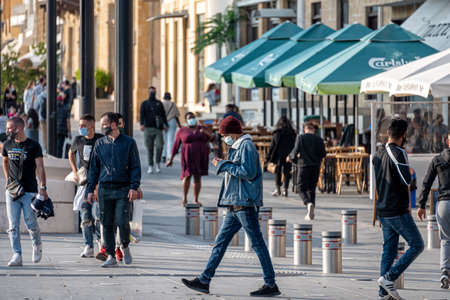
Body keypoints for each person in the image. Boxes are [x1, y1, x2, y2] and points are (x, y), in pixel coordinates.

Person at [181, 116, 281, 297]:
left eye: (224, 134)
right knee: (220, 243)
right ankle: (204, 280)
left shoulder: (246, 146)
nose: (224, 139)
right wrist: (225, 164)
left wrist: (223, 164)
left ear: (232, 133)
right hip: (234, 204)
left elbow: (248, 173)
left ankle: (270, 283)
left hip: (244, 203)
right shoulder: (237, 146)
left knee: (257, 244)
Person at [372, 118, 425, 300]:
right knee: (417, 244)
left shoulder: (377, 153)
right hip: (398, 209)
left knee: (389, 249)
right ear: (403, 136)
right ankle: (389, 278)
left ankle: (383, 293)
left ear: (388, 133)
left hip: (384, 209)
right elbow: (406, 179)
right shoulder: (399, 152)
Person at [87, 112, 141, 267]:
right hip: (104, 189)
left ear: (114, 124)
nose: (103, 126)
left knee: (122, 220)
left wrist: (134, 187)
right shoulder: (100, 143)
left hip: (123, 188)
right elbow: (93, 169)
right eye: (101, 124)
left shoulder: (129, 143)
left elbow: (135, 167)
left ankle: (124, 245)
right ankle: (111, 255)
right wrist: (91, 190)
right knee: (106, 223)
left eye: (105, 123)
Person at [2, 117, 48, 267]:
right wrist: (8, 180)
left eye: (9, 128)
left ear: (19, 128)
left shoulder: (34, 146)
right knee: (13, 225)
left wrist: (43, 187)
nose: (7, 131)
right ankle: (17, 254)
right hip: (12, 191)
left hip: (29, 191)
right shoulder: (7, 144)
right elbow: (5, 161)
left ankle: (37, 244)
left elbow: (40, 167)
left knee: (30, 222)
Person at [417, 135, 450, 289]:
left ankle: (445, 271)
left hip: (444, 204)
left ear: (447, 142)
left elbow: (426, 182)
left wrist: (421, 205)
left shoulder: (438, 159)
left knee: (446, 239)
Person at [69, 114, 103, 258]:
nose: (81, 128)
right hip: (84, 183)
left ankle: (102, 243)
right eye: (80, 126)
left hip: (99, 183)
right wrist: (75, 171)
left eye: (84, 126)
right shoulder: (78, 140)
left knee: (100, 216)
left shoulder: (100, 139)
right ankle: (88, 245)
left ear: (92, 126)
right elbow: (71, 153)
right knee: (85, 214)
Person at [166, 112, 212, 207]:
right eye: (189, 118)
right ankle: (185, 199)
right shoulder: (182, 130)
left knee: (197, 177)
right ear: (186, 120)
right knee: (187, 176)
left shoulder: (202, 128)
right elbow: (176, 145)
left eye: (193, 117)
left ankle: (196, 199)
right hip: (188, 157)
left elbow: (213, 138)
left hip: (200, 156)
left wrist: (206, 132)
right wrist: (171, 159)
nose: (192, 119)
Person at [288, 122, 326, 220]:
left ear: (305, 129)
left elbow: (294, 152)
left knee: (300, 188)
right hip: (315, 167)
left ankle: (308, 203)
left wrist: (294, 160)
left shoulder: (301, 138)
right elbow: (323, 154)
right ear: (313, 129)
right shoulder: (319, 139)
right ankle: (311, 211)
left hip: (303, 166)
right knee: (311, 189)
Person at [140, 86, 168, 174]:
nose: (152, 92)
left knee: (160, 146)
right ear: (148, 92)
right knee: (149, 147)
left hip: (158, 128)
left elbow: (163, 115)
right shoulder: (144, 103)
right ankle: (150, 165)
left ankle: (158, 163)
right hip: (148, 128)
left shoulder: (159, 103)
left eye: (154, 91)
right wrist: (141, 124)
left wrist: (166, 124)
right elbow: (141, 114)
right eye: (151, 91)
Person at [266, 116, 296, 197]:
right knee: (287, 172)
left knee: (277, 171)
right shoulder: (292, 133)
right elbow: (295, 145)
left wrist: (268, 157)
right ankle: (285, 189)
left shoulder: (277, 133)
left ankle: (277, 189)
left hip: (278, 155)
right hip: (288, 155)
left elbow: (272, 146)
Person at [161, 92, 181, 163]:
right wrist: (179, 125)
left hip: (163, 122)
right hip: (172, 121)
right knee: (171, 139)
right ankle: (169, 156)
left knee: (163, 139)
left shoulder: (161, 104)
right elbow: (176, 115)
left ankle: (163, 155)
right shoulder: (173, 104)